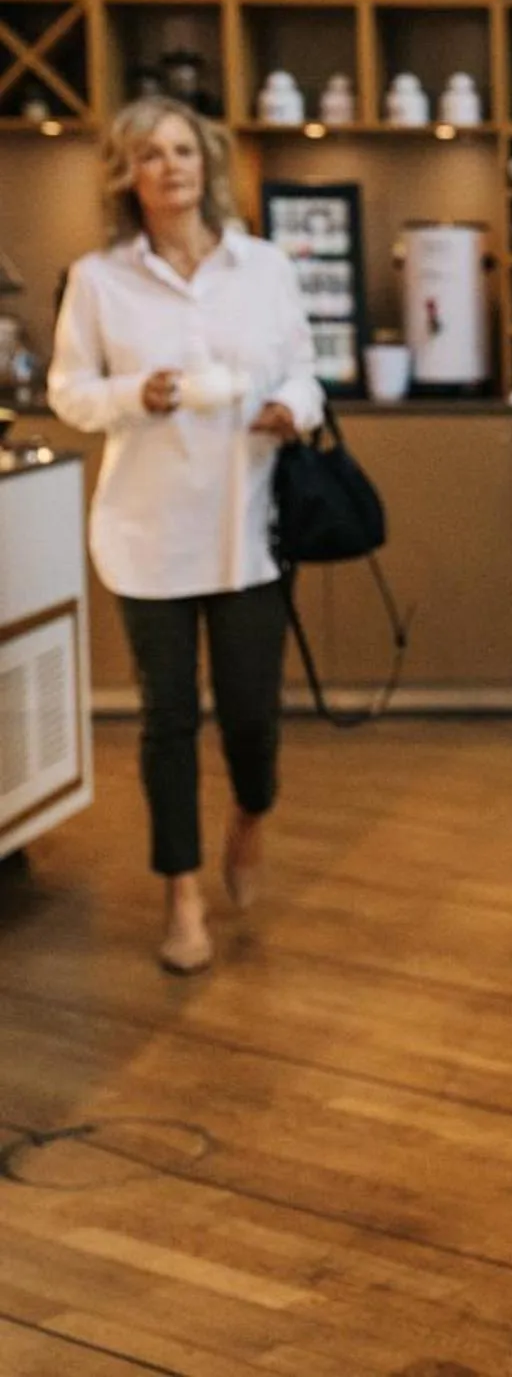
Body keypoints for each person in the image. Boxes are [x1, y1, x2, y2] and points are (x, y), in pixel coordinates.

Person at [46, 98, 322, 976]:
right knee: (167, 721)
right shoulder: (98, 279)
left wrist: (294, 407)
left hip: (246, 530)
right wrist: (138, 394)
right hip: (146, 534)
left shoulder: (264, 267)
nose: (171, 166)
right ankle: (182, 894)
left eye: (182, 149)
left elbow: (307, 368)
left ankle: (250, 815)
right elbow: (68, 392)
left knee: (250, 717)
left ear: (205, 160)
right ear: (128, 178)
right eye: (149, 156)